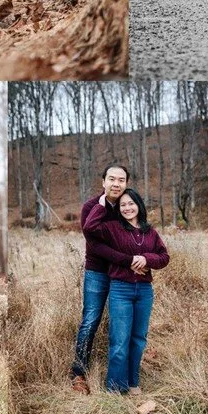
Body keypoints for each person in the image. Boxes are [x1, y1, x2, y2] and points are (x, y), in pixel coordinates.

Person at [82, 187, 170, 394]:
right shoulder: (112, 228)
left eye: (131, 203)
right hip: (121, 289)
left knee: (138, 339)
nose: (127, 208)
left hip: (144, 291)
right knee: (119, 340)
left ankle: (132, 383)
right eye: (123, 205)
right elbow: (89, 228)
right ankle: (115, 387)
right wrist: (102, 203)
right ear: (118, 209)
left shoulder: (151, 232)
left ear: (139, 206)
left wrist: (147, 259)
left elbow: (164, 257)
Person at [70, 163, 143, 394]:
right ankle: (79, 372)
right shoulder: (91, 206)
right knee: (91, 320)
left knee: (122, 325)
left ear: (126, 183)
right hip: (98, 273)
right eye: (112, 179)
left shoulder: (127, 206)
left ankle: (123, 376)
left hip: (123, 276)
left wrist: (140, 259)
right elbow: (95, 245)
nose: (116, 184)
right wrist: (128, 259)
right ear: (103, 182)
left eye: (121, 180)